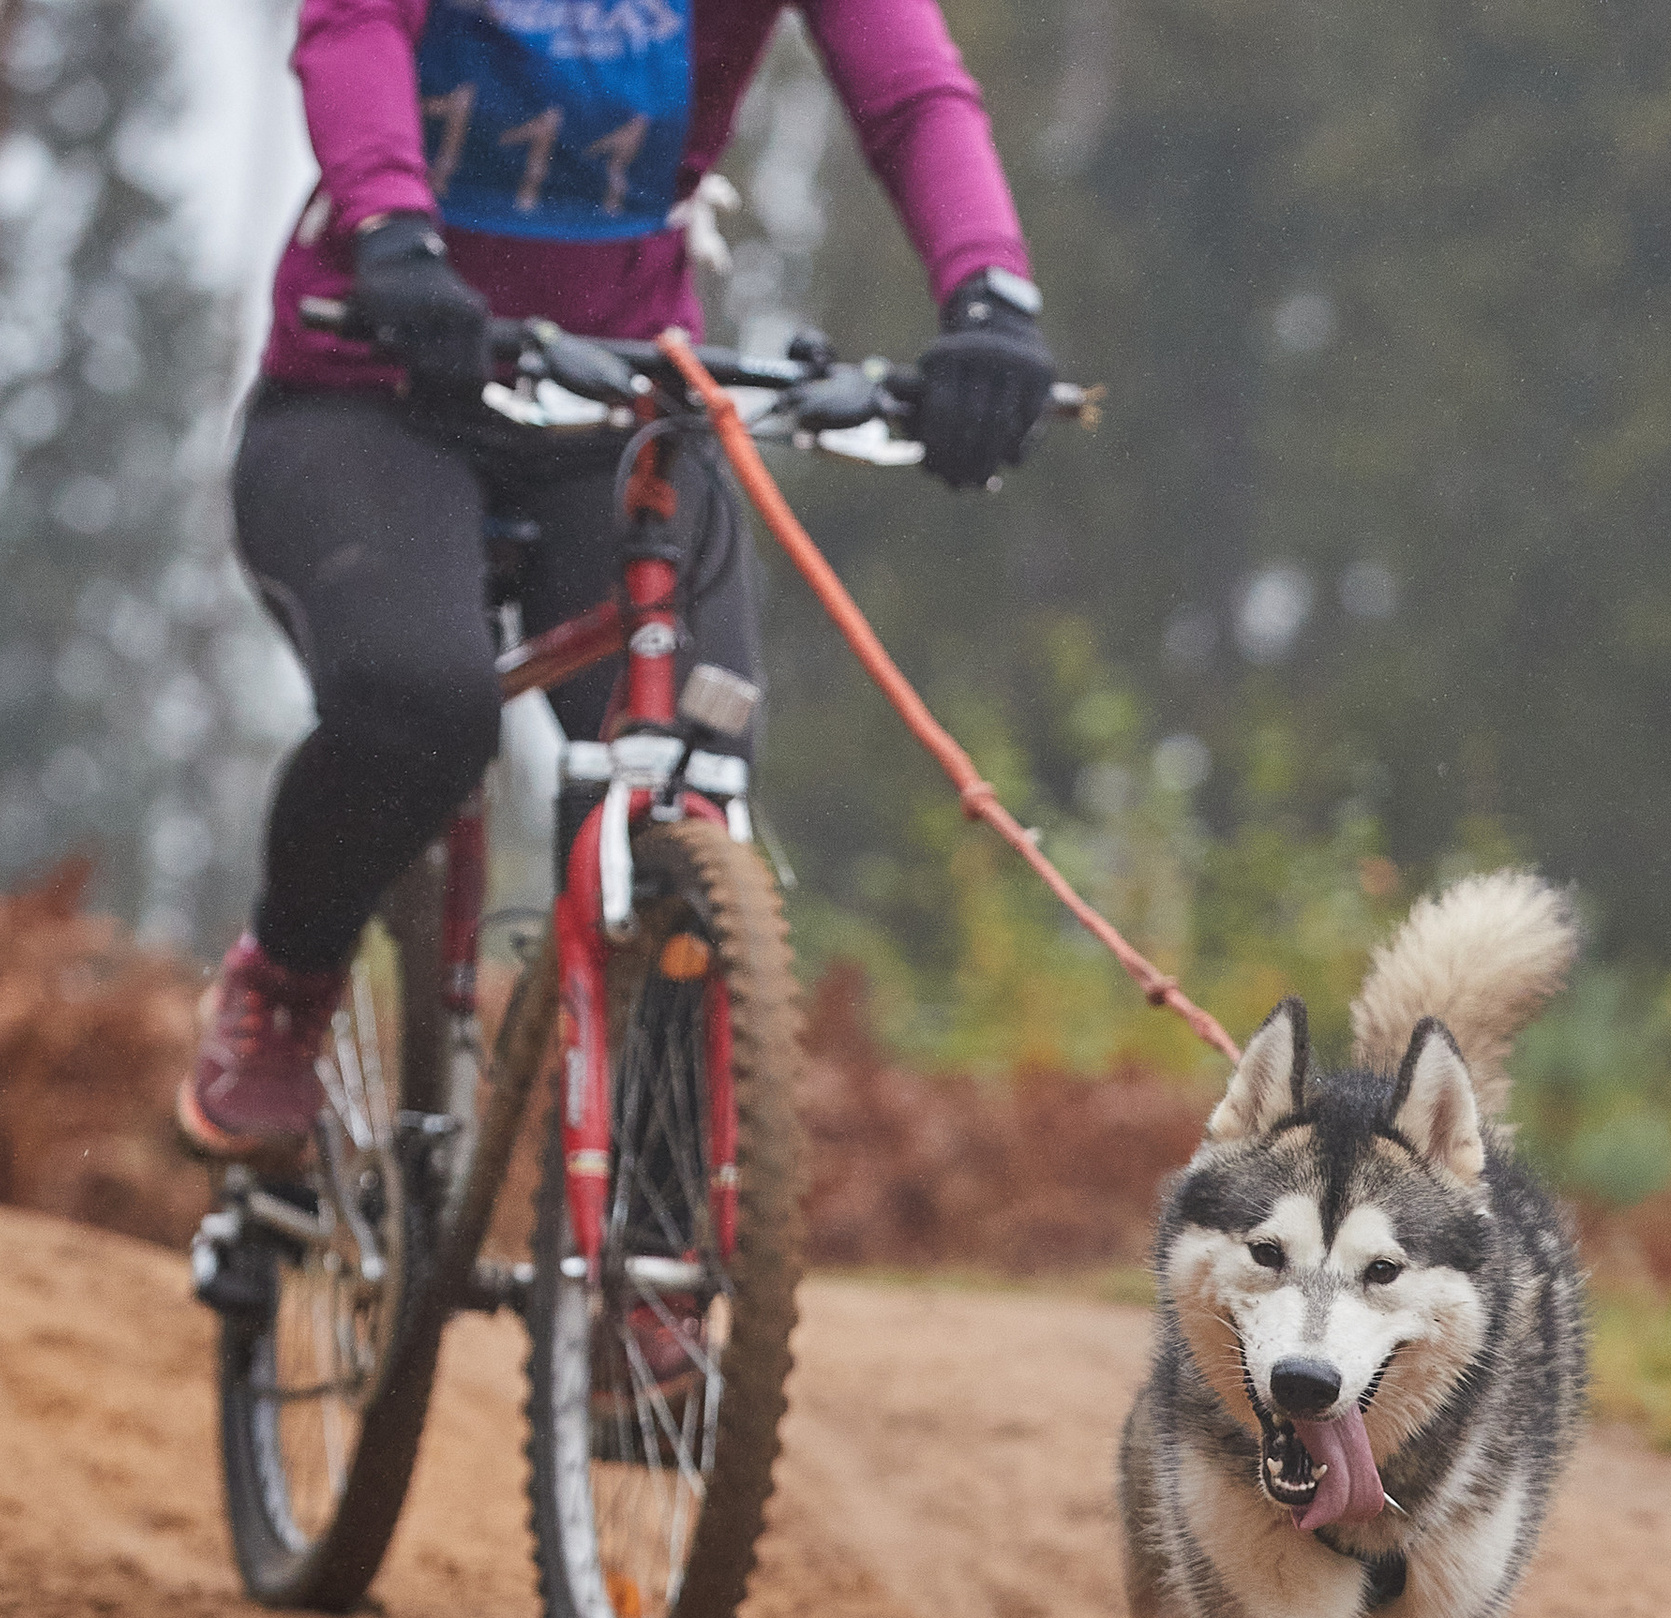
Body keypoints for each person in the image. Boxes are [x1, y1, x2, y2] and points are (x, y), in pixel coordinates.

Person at [180, 0, 1056, 1156]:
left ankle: (659, 1244)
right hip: (375, 384)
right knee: (418, 704)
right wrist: (392, 227)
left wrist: (989, 295)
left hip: (620, 406)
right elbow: (352, 26)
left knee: (696, 774)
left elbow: (909, 94)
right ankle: (287, 980)